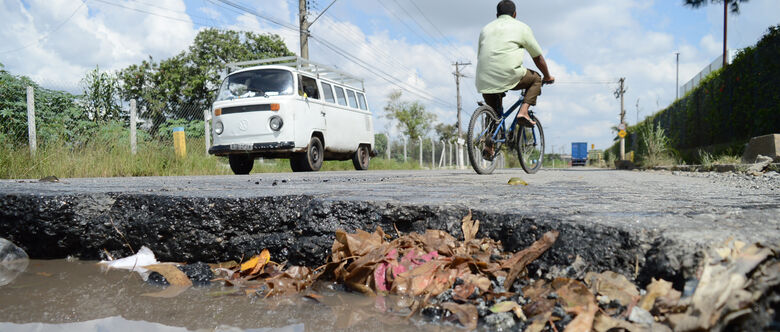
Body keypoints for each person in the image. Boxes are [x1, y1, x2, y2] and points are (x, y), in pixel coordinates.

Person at [476, 0, 555, 128]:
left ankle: (488, 145)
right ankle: (523, 112)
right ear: (515, 14)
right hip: (509, 75)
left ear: (497, 15)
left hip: (484, 78)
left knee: (494, 115)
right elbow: (537, 57)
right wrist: (547, 76)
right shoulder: (522, 27)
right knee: (536, 79)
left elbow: (480, 55)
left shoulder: (485, 29)